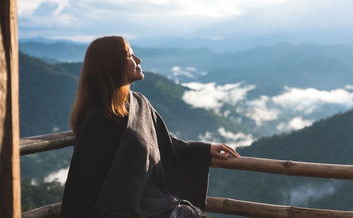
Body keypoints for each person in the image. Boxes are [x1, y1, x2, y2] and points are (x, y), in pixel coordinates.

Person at [59, 36, 240, 218]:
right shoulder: (98, 120)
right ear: (111, 65)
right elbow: (84, 183)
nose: (138, 60)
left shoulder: (139, 103)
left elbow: (166, 145)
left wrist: (205, 150)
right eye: (129, 55)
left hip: (153, 207)